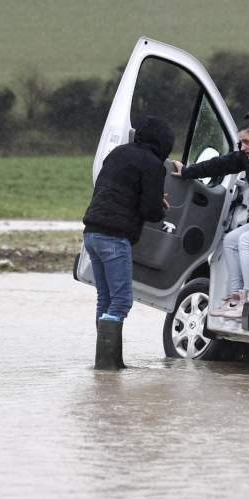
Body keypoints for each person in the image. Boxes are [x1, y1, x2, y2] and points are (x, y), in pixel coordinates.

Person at [172, 111, 249, 319]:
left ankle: (248, 298)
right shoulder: (247, 157)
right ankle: (235, 298)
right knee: (230, 240)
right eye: (240, 142)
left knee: (245, 241)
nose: (242, 147)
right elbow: (219, 164)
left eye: (246, 142)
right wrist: (187, 172)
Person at [83, 114, 173, 370]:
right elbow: (150, 211)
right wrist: (160, 205)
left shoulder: (119, 153)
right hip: (114, 236)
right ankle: (109, 364)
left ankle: (105, 364)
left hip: (91, 232)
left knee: (106, 298)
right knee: (121, 300)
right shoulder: (154, 164)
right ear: (163, 142)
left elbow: (112, 188)